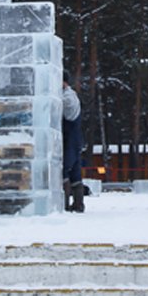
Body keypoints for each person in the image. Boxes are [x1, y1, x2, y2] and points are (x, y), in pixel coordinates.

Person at [62, 77, 85, 212]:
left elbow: (64, 109)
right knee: (75, 173)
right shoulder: (71, 95)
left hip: (69, 140)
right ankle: (78, 204)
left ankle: (64, 204)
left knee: (63, 170)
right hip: (74, 140)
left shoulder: (67, 97)